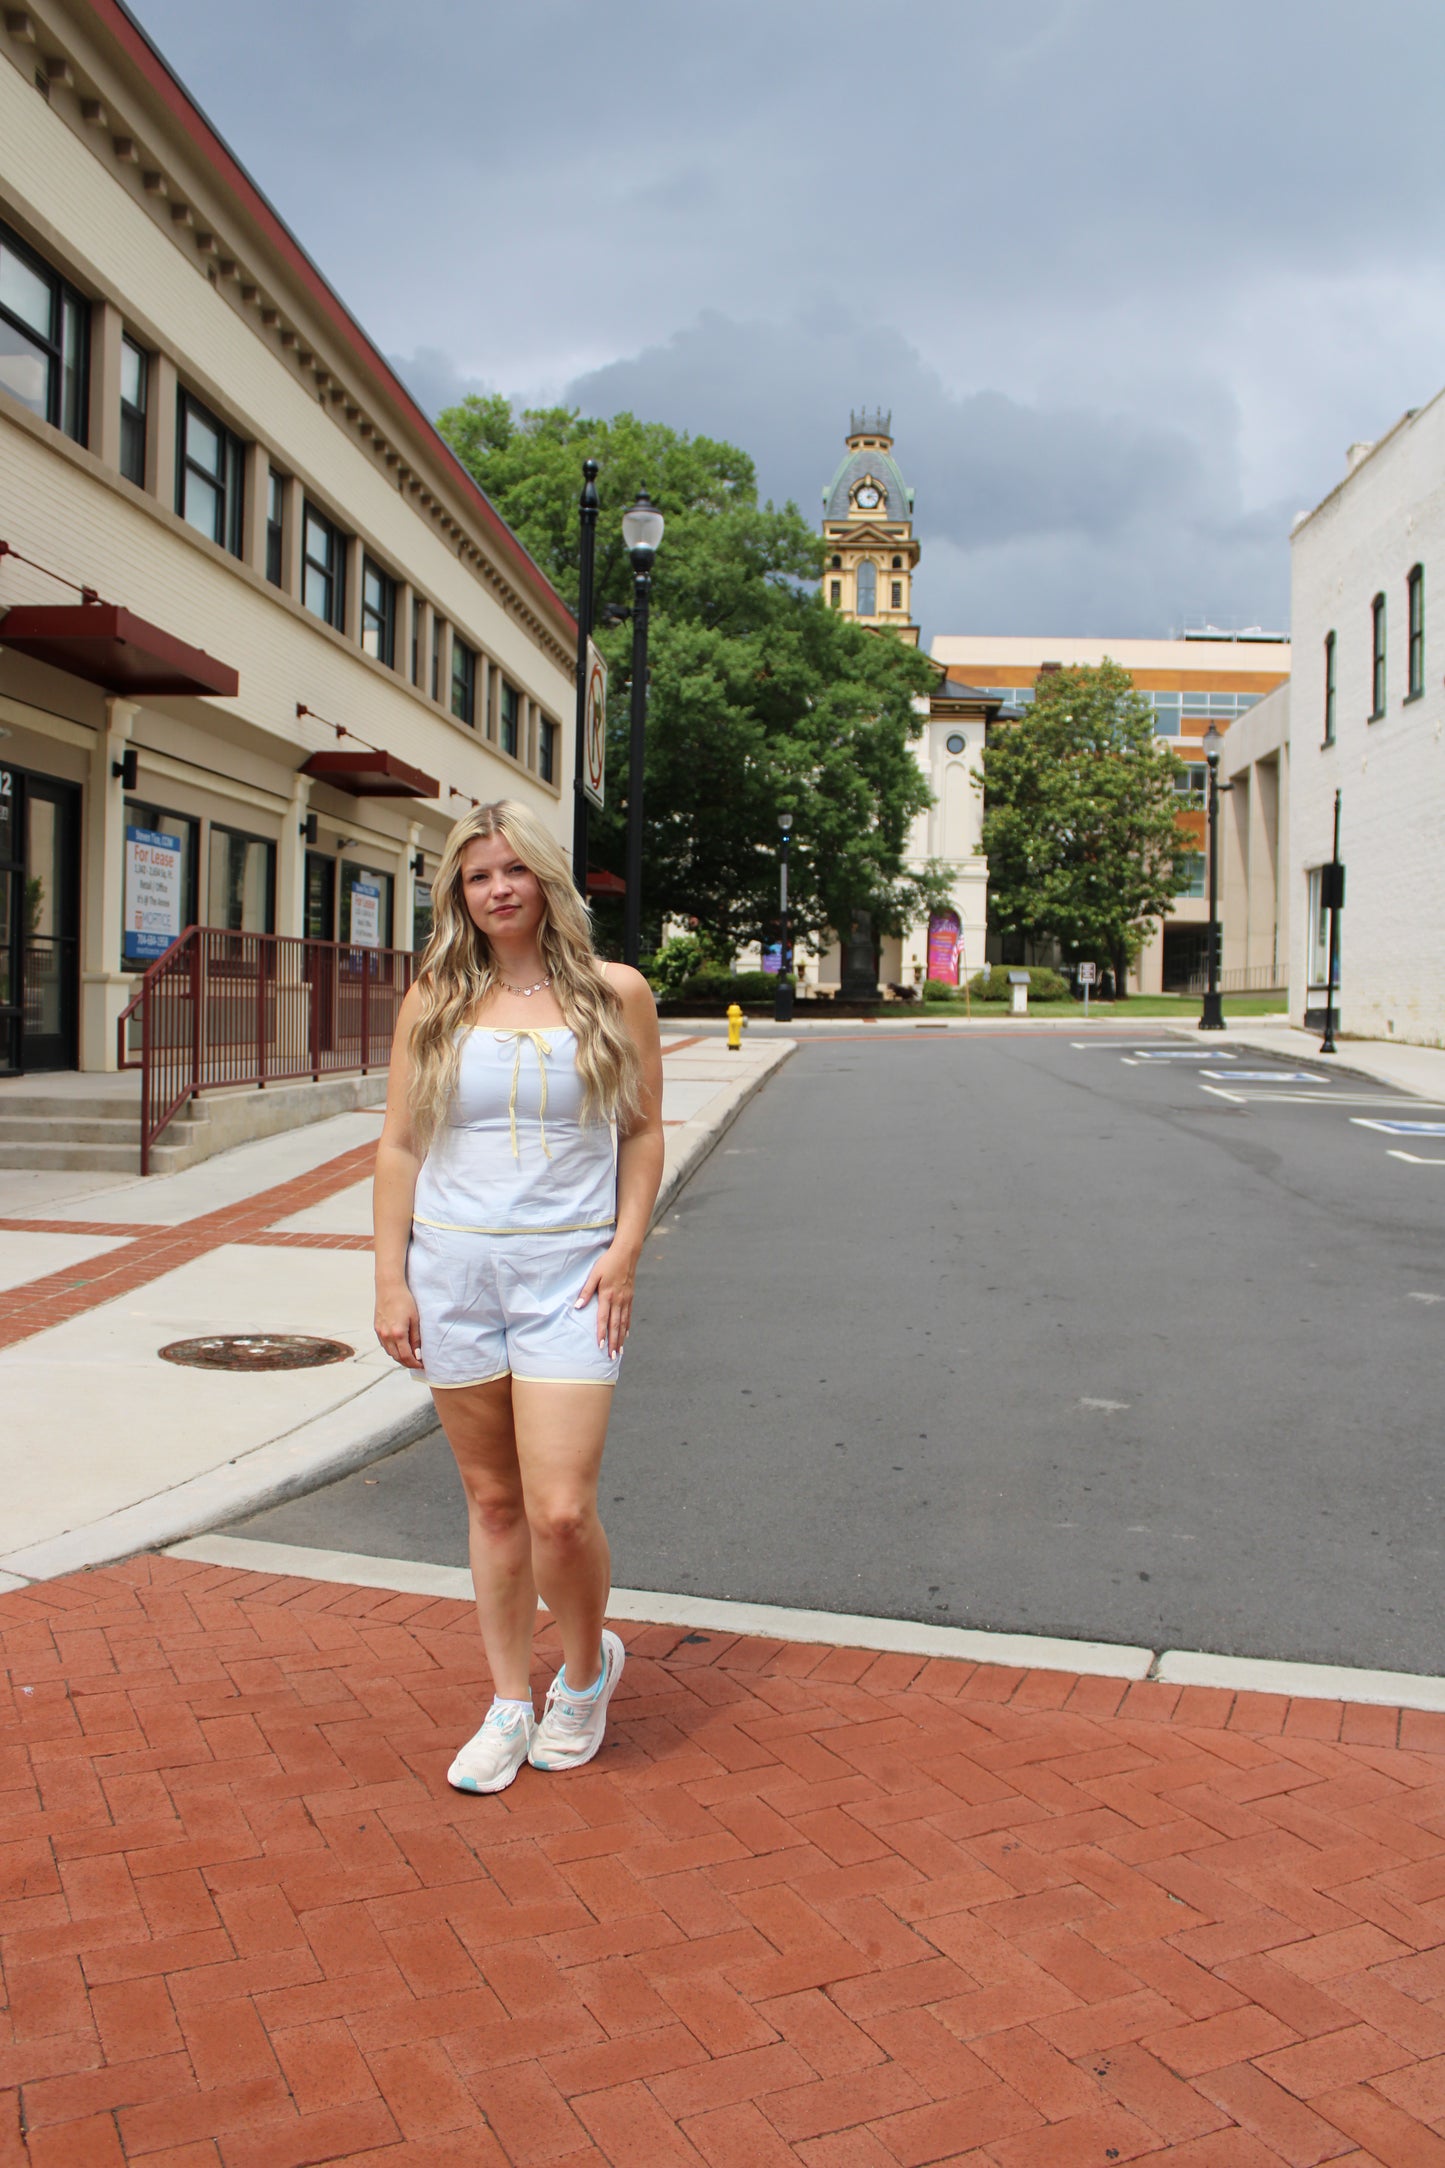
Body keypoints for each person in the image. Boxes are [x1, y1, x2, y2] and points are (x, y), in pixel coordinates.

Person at [373, 800, 663, 1794]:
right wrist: (389, 1278)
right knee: (492, 1500)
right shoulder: (434, 1000)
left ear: (545, 879)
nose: (496, 889)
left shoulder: (613, 992)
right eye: (475, 875)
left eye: (512, 870)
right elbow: (400, 1145)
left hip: (567, 1276)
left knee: (560, 1510)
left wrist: (625, 1249)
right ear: (458, 892)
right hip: (454, 1275)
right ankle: (507, 1700)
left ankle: (584, 1674)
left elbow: (639, 1131)